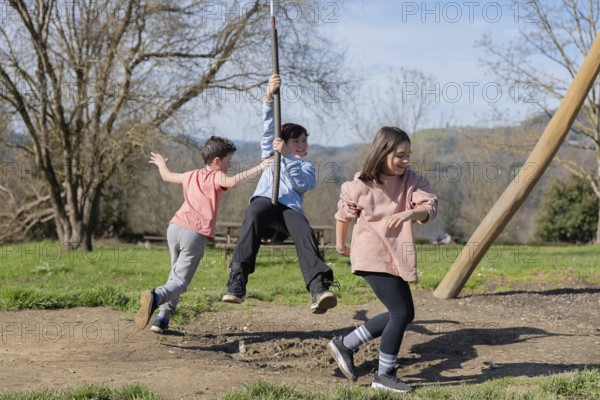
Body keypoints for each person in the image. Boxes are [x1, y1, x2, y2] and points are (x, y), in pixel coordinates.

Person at [327, 127, 438, 393]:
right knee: (400, 313)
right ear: (383, 152)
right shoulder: (360, 185)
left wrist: (410, 214)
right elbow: (342, 216)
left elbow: (430, 205)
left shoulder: (411, 180)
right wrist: (341, 244)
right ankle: (384, 375)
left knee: (404, 313)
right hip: (370, 254)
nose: (405, 160)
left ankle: (346, 344)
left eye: (408, 154)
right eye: (400, 155)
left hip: (396, 255)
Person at [221, 74, 337, 314]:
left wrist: (287, 156)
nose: (302, 145)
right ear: (282, 142)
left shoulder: (306, 166)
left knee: (304, 228)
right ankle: (237, 280)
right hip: (265, 202)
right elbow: (268, 128)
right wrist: (267, 97)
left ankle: (318, 287)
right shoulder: (270, 154)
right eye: (296, 141)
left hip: (288, 209)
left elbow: (301, 185)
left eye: (305, 140)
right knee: (253, 212)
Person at [135, 137, 272, 333]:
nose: (229, 165)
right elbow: (232, 181)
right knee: (180, 282)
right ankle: (155, 297)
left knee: (174, 275)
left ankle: (162, 319)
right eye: (228, 161)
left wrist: (161, 164)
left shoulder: (191, 175)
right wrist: (260, 167)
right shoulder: (216, 176)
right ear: (216, 162)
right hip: (194, 234)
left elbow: (166, 177)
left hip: (174, 228)